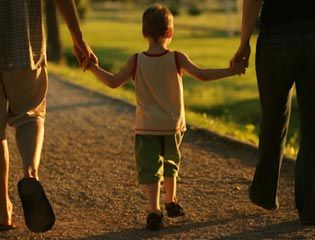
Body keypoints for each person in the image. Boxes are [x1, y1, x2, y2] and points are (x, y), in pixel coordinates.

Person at [85, 4, 245, 230]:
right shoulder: (177, 58)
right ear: (169, 33)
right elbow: (203, 75)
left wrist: (92, 67)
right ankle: (171, 200)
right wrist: (231, 70)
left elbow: (112, 82)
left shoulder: (136, 60)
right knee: (171, 163)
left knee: (150, 168)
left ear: (144, 33)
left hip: (146, 127)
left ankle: (154, 210)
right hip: (172, 125)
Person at [0, 0, 97, 232]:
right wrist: (78, 38)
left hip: (21, 42)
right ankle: (30, 173)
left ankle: (2, 209)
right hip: (23, 43)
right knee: (30, 114)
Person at [230, 0, 315, 224]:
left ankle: (264, 194)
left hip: (276, 37)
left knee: (272, 117)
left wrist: (244, 41)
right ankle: (310, 208)